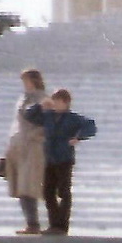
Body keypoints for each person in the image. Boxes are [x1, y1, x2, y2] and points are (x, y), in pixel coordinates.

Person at [22, 88, 97, 235]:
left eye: (57, 101)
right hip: (50, 158)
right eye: (53, 101)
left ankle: (62, 226)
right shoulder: (48, 116)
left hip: (64, 158)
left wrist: (79, 137)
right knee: (48, 192)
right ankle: (53, 223)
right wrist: (40, 106)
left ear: (65, 103)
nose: (54, 104)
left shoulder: (72, 118)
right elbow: (28, 115)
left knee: (63, 192)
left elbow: (91, 126)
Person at [4, 69, 50, 234]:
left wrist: (34, 137)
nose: (25, 83)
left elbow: (47, 125)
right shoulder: (23, 98)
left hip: (33, 148)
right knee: (21, 187)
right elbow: (16, 124)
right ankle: (31, 223)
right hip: (19, 146)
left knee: (28, 186)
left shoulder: (43, 99)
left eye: (27, 80)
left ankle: (34, 223)